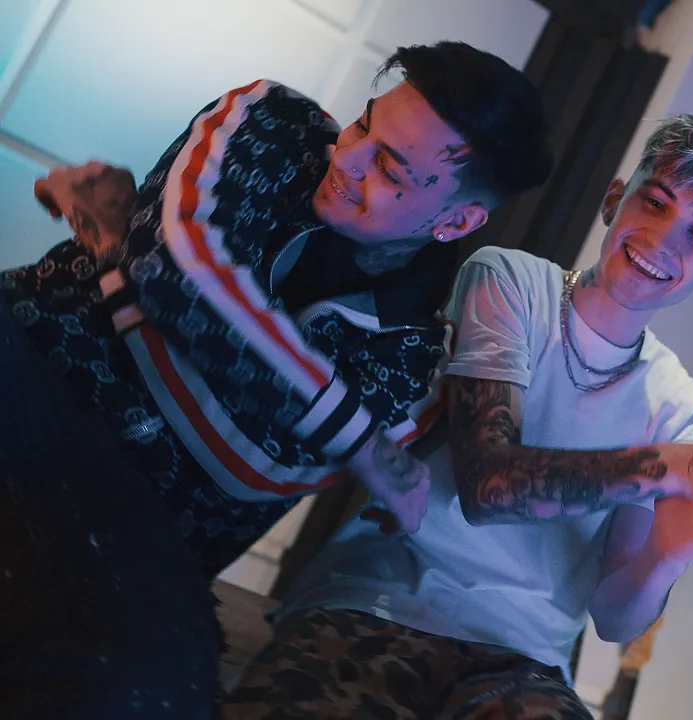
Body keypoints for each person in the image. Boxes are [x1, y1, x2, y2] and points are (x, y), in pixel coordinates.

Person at [221, 114, 693, 719]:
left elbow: (614, 618)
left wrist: (668, 556)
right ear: (614, 200)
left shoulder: (677, 402)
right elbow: (486, 484)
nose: (661, 239)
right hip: (377, 604)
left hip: (524, 664)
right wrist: (667, 467)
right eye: (655, 202)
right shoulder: (510, 280)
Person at [3, 41, 553, 577]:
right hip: (25, 362)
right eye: (363, 124)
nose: (346, 157)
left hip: (116, 542)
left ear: (456, 221)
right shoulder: (269, 119)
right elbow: (169, 266)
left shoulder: (417, 364)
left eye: (388, 169)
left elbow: (249, 466)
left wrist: (115, 259)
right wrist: (363, 443)